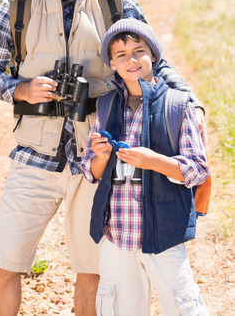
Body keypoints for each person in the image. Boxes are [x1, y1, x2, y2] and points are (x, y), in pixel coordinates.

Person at [0, 0, 207, 316]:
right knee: (1, 266)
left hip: (98, 158)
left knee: (93, 274)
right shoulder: (16, 2)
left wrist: (192, 105)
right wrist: (19, 89)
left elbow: (156, 62)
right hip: (34, 154)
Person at [81, 18, 210, 315]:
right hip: (115, 232)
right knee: (121, 306)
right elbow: (91, 171)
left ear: (153, 55)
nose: (132, 59)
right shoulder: (107, 105)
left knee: (181, 304)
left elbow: (197, 168)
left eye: (139, 50)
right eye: (121, 55)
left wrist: (153, 161)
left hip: (164, 232)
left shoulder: (178, 105)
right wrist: (100, 156)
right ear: (112, 64)